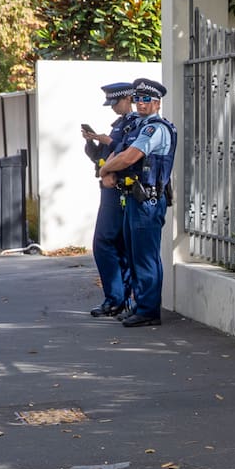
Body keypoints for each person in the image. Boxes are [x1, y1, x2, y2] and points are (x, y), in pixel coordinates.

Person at [100, 77, 177, 328]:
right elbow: (119, 152)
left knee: (145, 257)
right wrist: (110, 169)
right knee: (134, 254)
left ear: (157, 103)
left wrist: (105, 171)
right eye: (138, 99)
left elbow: (130, 156)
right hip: (134, 198)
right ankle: (139, 304)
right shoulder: (137, 126)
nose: (141, 104)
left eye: (147, 100)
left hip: (149, 200)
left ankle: (148, 309)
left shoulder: (156, 129)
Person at [83, 82, 139, 318]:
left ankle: (116, 298)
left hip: (118, 190)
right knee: (116, 245)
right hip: (110, 188)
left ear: (128, 99)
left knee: (104, 242)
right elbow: (102, 159)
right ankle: (119, 298)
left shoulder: (133, 125)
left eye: (116, 102)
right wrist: (92, 143)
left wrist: (107, 144)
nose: (114, 107)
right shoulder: (119, 125)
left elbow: (128, 156)